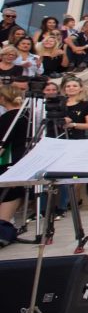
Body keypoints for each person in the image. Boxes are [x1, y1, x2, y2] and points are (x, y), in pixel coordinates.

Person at [0, 86, 28, 225]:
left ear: (3, 99)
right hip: (27, 159)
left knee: (9, 193)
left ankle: (5, 224)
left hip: (10, 161)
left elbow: (2, 146)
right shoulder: (29, 115)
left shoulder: (6, 118)